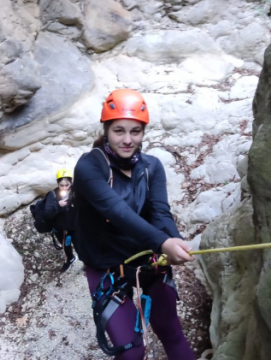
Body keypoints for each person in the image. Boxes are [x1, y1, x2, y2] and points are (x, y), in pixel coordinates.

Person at [73, 89, 196, 360]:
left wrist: (173, 241)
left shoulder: (152, 167)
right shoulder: (89, 167)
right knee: (131, 352)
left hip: (149, 258)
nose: (128, 140)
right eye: (119, 131)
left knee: (171, 331)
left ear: (143, 133)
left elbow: (160, 212)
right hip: (107, 265)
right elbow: (116, 211)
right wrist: (164, 242)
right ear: (106, 130)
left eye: (135, 132)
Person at [44, 169, 77, 272]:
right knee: (66, 245)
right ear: (58, 184)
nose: (64, 188)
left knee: (80, 243)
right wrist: (58, 205)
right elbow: (47, 213)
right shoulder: (52, 195)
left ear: (71, 183)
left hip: (75, 224)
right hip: (61, 228)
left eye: (66, 185)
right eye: (61, 185)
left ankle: (87, 261)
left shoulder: (76, 191)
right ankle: (70, 258)